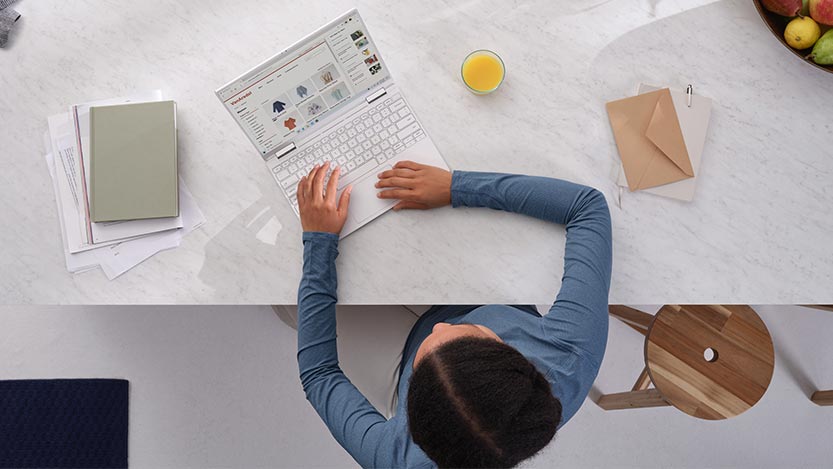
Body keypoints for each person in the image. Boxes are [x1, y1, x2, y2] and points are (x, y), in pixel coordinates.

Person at [296, 160, 612, 468]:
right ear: (504, 348)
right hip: (496, 299)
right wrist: (455, 186)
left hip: (396, 352)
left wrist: (319, 241)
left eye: (422, 364)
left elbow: (318, 372)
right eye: (468, 333)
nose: (439, 327)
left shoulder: (396, 458)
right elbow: (587, 207)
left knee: (293, 308)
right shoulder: (571, 352)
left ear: (413, 418)